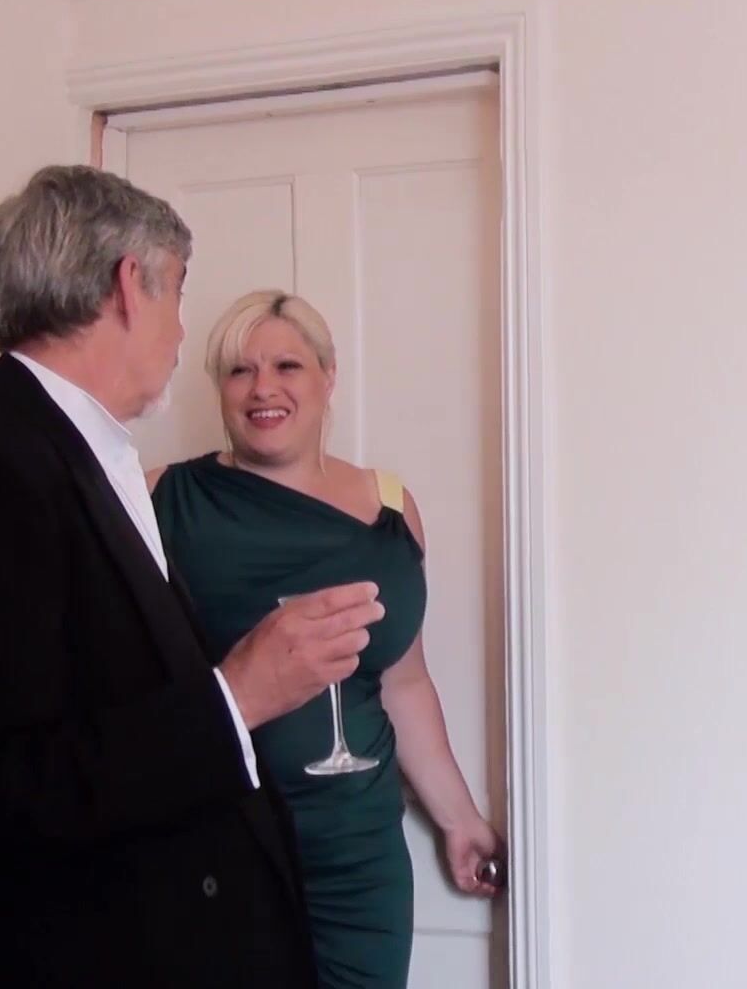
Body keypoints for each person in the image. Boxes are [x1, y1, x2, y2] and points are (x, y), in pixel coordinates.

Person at [0, 166, 384, 987]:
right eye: (177, 292)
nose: (182, 331)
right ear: (127, 285)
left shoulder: (69, 453)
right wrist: (238, 696)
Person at [149, 289, 503, 989]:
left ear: (328, 376)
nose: (263, 388)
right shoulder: (162, 501)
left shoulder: (390, 506)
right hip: (220, 858)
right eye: (240, 370)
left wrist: (459, 819)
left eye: (287, 366)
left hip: (359, 861)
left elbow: (403, 682)